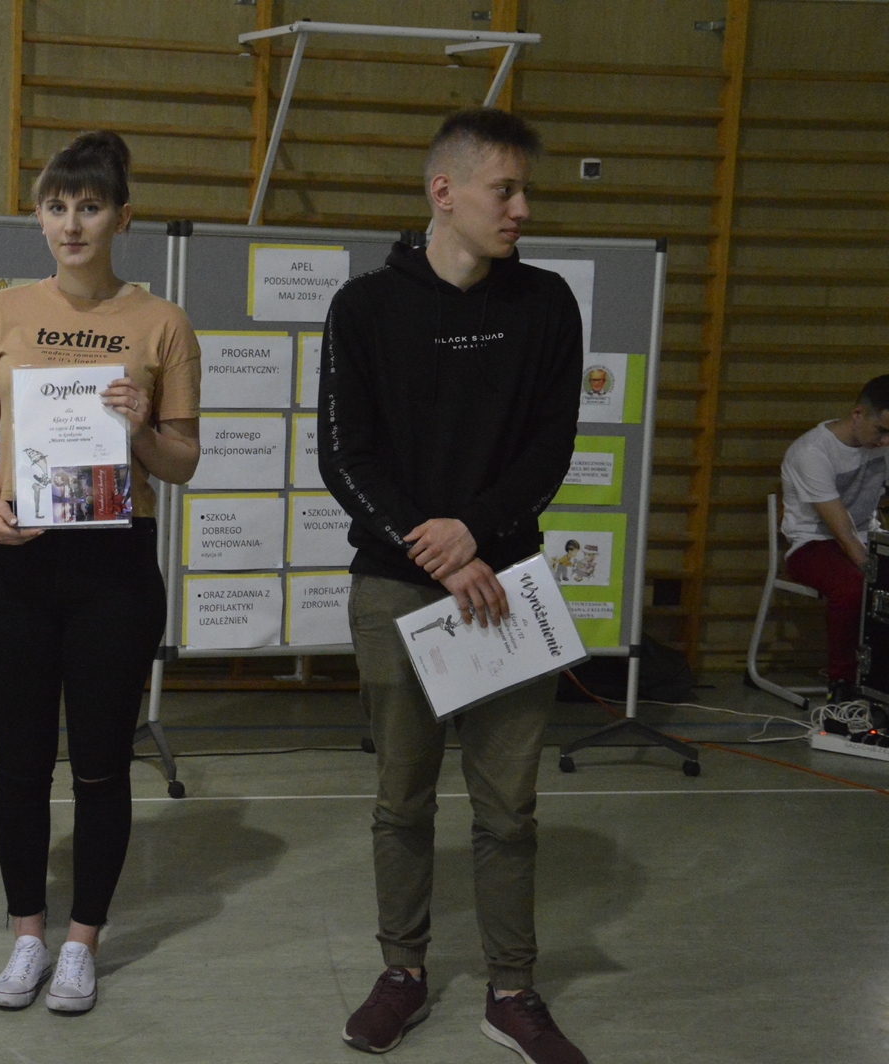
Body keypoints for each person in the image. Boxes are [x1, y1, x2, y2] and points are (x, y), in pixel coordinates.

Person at [318, 108, 588, 1064]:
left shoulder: (547, 303)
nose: (523, 209)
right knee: (402, 800)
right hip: (397, 589)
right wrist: (437, 549)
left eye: (525, 191)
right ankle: (402, 973)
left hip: (507, 586)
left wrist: (478, 531)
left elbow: (551, 448)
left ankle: (512, 990)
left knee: (509, 809)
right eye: (504, 190)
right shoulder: (363, 308)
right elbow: (344, 457)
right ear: (444, 192)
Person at [0, 131, 200, 1015]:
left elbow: (182, 462)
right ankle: (28, 933)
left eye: (90, 207)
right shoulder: (1, 312)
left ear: (121, 217)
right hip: (18, 561)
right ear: (38, 216)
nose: (72, 224)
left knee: (99, 766)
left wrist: (139, 432)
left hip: (114, 568)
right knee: (20, 764)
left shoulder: (163, 323)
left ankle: (81, 943)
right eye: (56, 206)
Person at [780, 377, 889, 701]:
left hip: (865, 536)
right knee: (854, 589)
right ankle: (842, 683)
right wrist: (877, 574)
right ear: (858, 414)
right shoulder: (812, 452)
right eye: (881, 431)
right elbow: (842, 531)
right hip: (813, 544)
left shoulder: (884, 443)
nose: (885, 441)